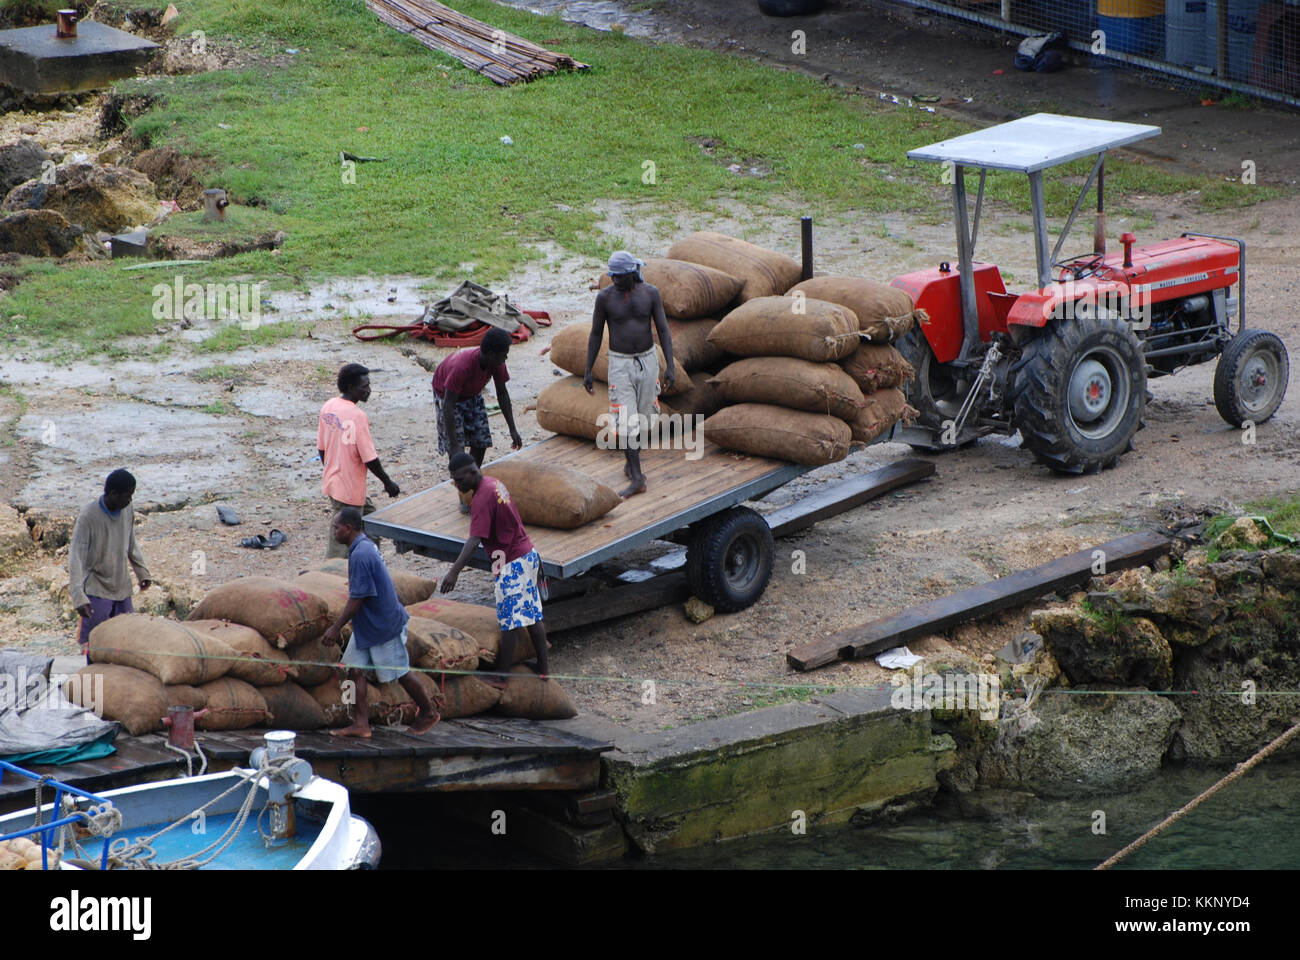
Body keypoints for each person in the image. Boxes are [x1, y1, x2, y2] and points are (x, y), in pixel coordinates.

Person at [320, 508, 439, 738]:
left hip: (383, 626)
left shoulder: (362, 554)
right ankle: (361, 724)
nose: (333, 532)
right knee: (354, 669)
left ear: (349, 528)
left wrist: (336, 627)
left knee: (399, 671)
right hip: (366, 625)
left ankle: (428, 712)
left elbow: (358, 597)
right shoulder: (362, 547)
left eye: (336, 527)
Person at [438, 453, 549, 685]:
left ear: (472, 472)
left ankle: (502, 674)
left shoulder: (481, 498)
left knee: (509, 621)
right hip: (527, 554)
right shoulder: (494, 483)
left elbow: (474, 539)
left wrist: (454, 572)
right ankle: (543, 668)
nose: (457, 486)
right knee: (532, 615)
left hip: (512, 562)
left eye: (459, 480)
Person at [586, 250, 674, 498]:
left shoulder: (650, 294)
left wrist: (671, 366)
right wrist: (588, 370)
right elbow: (595, 334)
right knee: (626, 419)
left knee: (644, 417)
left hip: (647, 361)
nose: (616, 281)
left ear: (633, 273)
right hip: (620, 364)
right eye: (613, 276)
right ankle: (637, 478)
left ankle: (630, 463)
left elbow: (664, 331)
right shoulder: (605, 298)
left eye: (621, 277)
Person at [318, 363, 400, 559]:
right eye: (364, 386)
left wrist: (332, 470)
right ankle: (331, 577)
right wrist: (388, 482)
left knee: (371, 520)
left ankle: (371, 561)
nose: (369, 390)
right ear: (350, 388)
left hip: (335, 483)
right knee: (340, 542)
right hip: (349, 489)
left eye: (369, 385)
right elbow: (370, 458)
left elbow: (321, 448)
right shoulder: (357, 416)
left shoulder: (329, 407)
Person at [69, 469, 151, 654]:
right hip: (96, 589)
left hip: (121, 585)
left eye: (131, 495)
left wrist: (142, 572)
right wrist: (78, 596)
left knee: (126, 640)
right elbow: (76, 557)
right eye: (126, 496)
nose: (130, 500)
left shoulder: (127, 509)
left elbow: (131, 541)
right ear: (113, 493)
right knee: (93, 644)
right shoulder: (88, 517)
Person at [432, 326, 523, 470]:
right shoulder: (462, 367)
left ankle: (473, 476)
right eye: (504, 355)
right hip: (448, 396)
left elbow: (502, 394)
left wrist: (512, 429)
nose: (505, 358)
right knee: (457, 450)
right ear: (491, 354)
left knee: (481, 442)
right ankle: (461, 478)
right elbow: (448, 406)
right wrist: (454, 446)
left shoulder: (498, 364)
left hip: (472, 394)